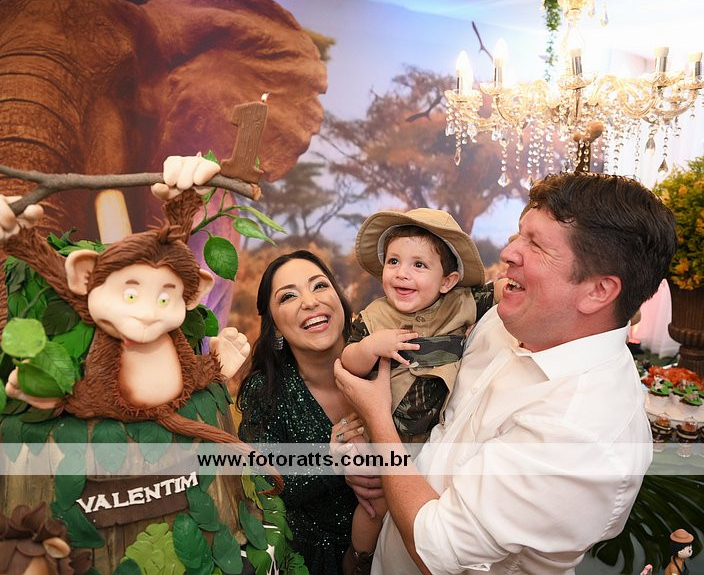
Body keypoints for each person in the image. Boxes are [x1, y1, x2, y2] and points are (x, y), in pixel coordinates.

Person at [334, 172, 677, 574]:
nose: (509, 252)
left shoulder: (581, 433)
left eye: (536, 244)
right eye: (518, 234)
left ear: (598, 291)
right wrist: (375, 464)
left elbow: (434, 549)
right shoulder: (506, 318)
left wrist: (379, 423)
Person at [338, 209, 486, 569]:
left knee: (425, 507)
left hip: (434, 438)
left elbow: (503, 296)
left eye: (419, 265)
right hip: (385, 433)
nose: (402, 273)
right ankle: (359, 559)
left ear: (448, 281)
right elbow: (348, 363)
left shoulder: (464, 303)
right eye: (394, 261)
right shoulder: (375, 317)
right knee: (374, 505)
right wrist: (371, 347)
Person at [236, 250, 369, 574]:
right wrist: (328, 461)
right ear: (275, 327)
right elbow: (261, 485)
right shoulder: (266, 392)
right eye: (289, 296)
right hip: (311, 560)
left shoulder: (386, 364)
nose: (310, 302)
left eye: (319, 286)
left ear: (340, 300)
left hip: (405, 544)